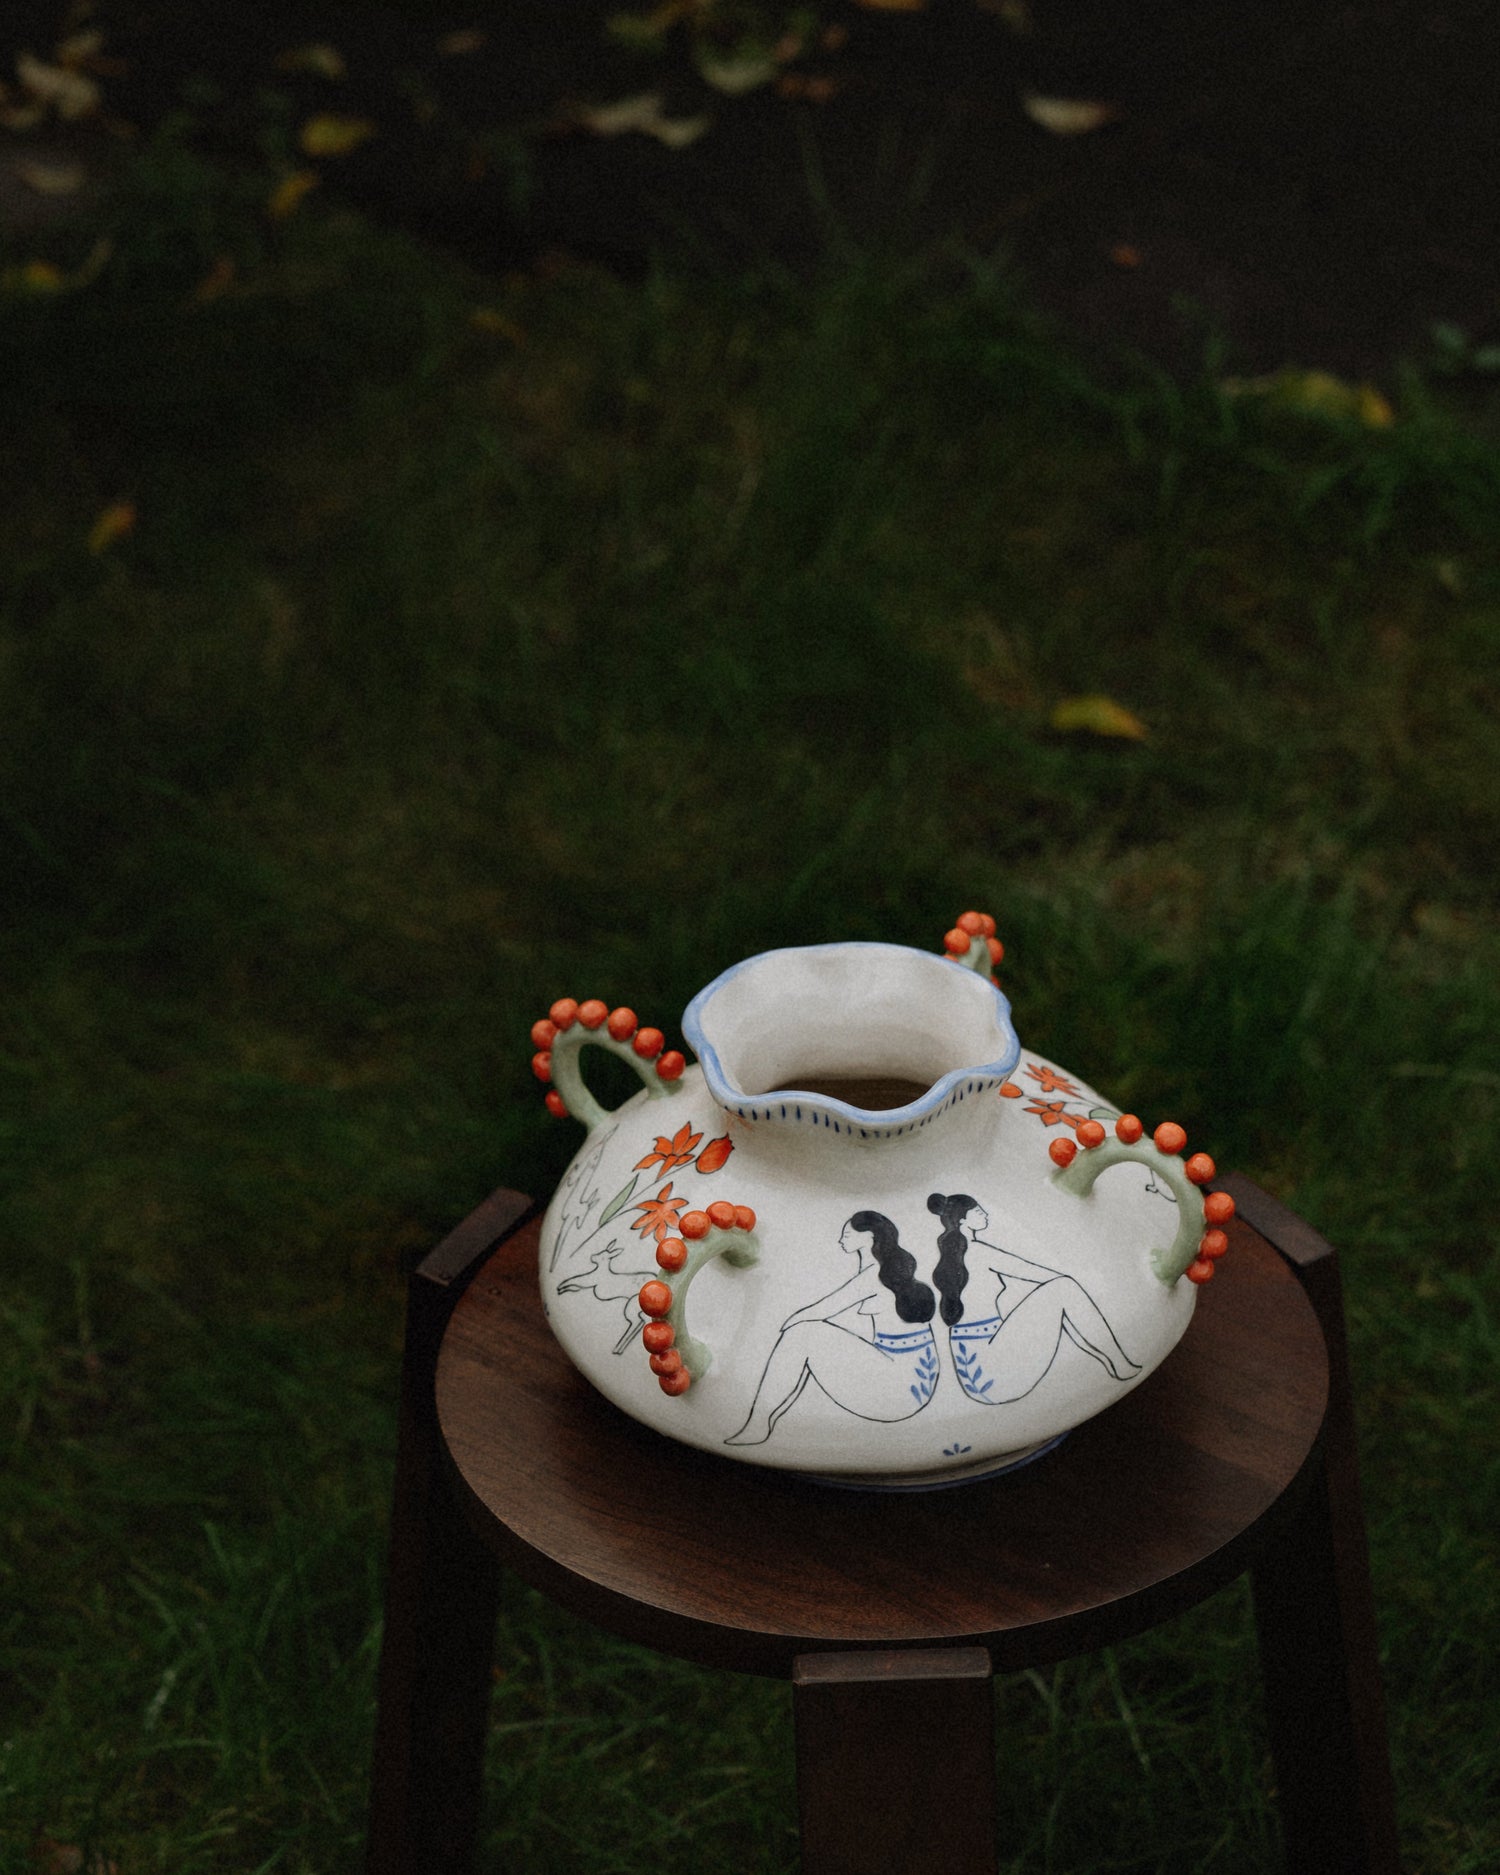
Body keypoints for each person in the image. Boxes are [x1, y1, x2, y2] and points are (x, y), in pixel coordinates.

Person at [726, 1211, 939, 1446]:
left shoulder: (874, 1276)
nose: (840, 1240)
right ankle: (761, 1421)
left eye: (847, 1235)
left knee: (802, 1333)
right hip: (915, 1383)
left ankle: (758, 1424)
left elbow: (820, 1310)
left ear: (869, 1237)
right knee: (804, 1334)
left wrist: (784, 1331)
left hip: (900, 1389)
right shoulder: (889, 1272)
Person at [928, 1192, 1140, 1403]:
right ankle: (1118, 1362)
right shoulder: (979, 1252)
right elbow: (1041, 1275)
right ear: (963, 1220)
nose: (985, 1215)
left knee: (1024, 1295)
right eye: (978, 1211)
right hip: (995, 1374)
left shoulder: (955, 1256)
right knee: (1064, 1287)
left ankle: (1109, 1359)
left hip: (976, 1377)